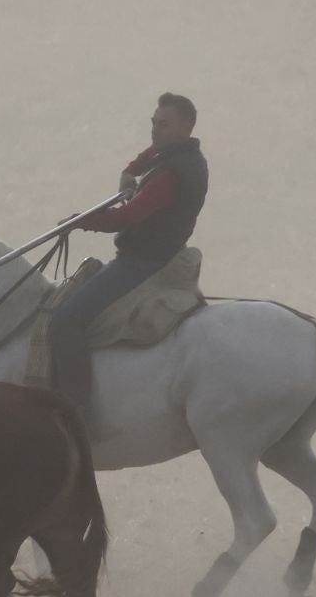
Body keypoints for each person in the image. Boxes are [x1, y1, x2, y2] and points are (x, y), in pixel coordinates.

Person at [48, 92, 210, 423]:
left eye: (164, 125)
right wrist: (130, 171)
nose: (155, 130)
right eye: (154, 123)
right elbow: (149, 155)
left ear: (187, 126)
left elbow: (128, 217)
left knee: (65, 320)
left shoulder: (170, 175)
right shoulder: (181, 157)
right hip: (156, 256)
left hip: (141, 263)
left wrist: (81, 221)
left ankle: (77, 410)